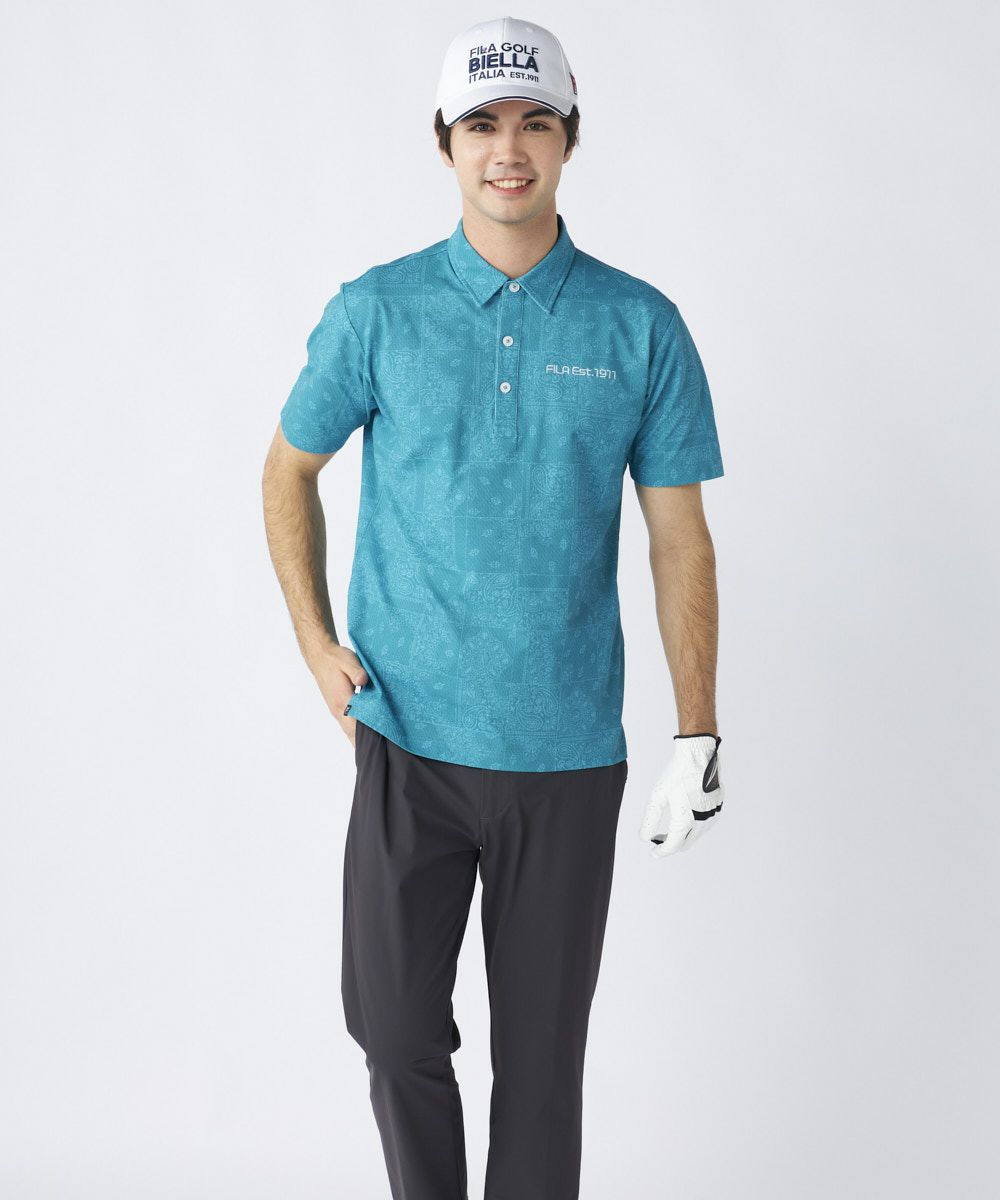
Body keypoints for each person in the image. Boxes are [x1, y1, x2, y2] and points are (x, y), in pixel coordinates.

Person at [261, 15, 727, 1199]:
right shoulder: (376, 311)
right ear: (445, 143)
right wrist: (316, 645)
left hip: (564, 756)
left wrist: (697, 729)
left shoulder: (639, 325)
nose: (507, 149)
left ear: (569, 138)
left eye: (533, 123)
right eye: (481, 124)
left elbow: (679, 537)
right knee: (392, 1030)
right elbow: (287, 470)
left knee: (542, 1065)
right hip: (407, 739)